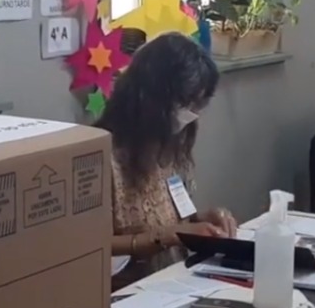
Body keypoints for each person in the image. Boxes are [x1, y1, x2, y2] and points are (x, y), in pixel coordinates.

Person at [96, 32, 237, 289]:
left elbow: (178, 216)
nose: (191, 114)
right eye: (185, 103)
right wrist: (164, 237)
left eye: (198, 105)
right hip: (127, 293)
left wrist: (204, 221)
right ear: (151, 98)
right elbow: (90, 246)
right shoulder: (102, 158)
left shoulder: (171, 147)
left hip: (175, 283)